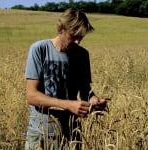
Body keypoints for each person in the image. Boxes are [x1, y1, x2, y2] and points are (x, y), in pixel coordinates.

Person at [24, 8, 108, 149]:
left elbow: (85, 91)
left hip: (72, 134)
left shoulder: (82, 55)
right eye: (73, 36)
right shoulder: (40, 49)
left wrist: (94, 100)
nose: (77, 42)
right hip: (41, 134)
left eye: (81, 37)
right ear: (60, 29)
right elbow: (31, 96)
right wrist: (69, 105)